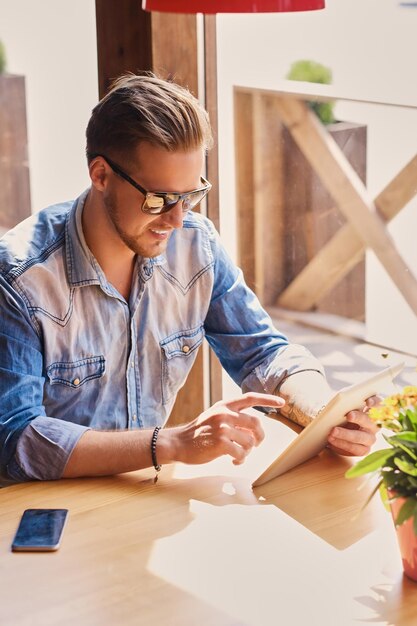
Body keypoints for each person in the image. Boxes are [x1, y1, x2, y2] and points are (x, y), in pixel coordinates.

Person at [0, 73, 377, 483]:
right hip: (46, 517)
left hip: (144, 496)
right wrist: (173, 444)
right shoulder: (20, 277)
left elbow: (262, 353)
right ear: (101, 175)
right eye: (159, 198)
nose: (177, 220)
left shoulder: (197, 246)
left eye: (191, 195)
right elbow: (17, 439)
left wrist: (326, 412)